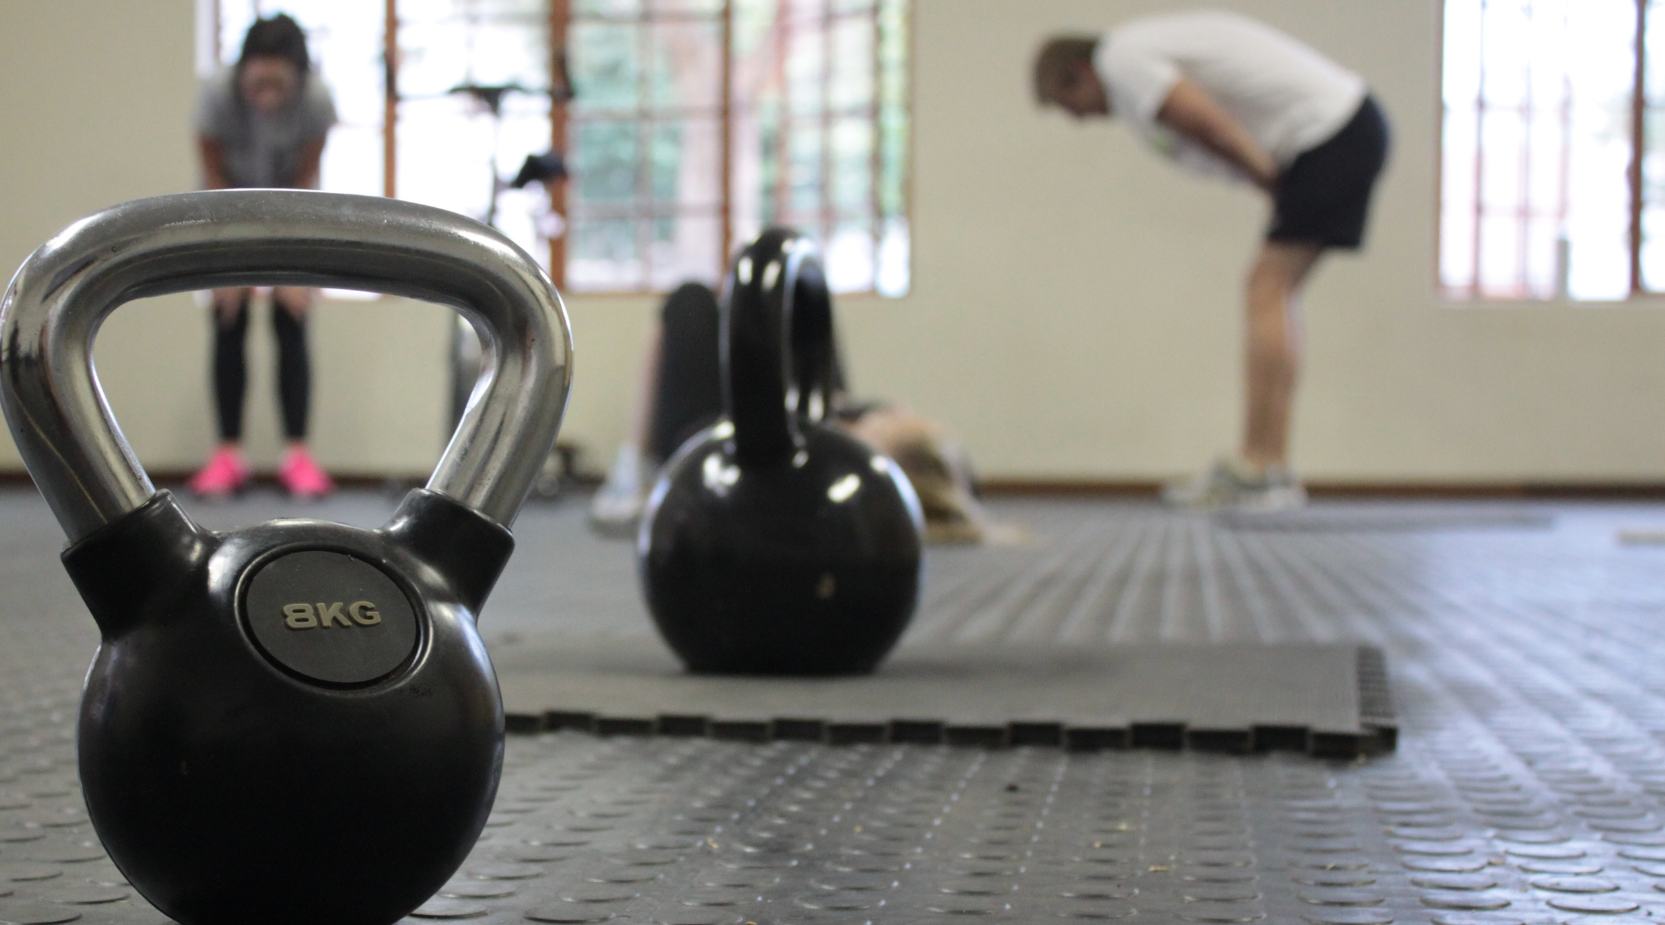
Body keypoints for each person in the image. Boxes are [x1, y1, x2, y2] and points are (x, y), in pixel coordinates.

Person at [1034, 12, 1388, 511]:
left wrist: (1265, 174)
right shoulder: (1132, 70)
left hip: (1331, 132)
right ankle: (1268, 466)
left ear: (1079, 72)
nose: (1074, 118)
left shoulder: (1120, 58)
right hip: (1341, 130)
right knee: (1274, 292)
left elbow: (1206, 121)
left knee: (1266, 290)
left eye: (1066, 102)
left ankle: (1261, 468)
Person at [591, 283, 1005, 545]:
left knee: (690, 301)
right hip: (789, 418)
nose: (897, 412)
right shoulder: (921, 460)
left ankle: (633, 471)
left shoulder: (845, 473)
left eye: (895, 421)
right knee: (802, 299)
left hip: (710, 445)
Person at [188, 14, 338, 499]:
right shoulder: (215, 96)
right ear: (241, 72)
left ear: (298, 79)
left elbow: (306, 178)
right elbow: (212, 176)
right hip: (224, 207)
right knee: (227, 316)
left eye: (279, 84)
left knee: (291, 316)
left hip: (290, 208)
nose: (267, 94)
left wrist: (295, 269)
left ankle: (297, 456)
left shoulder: (316, 100)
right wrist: (227, 264)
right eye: (258, 82)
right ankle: (228, 455)